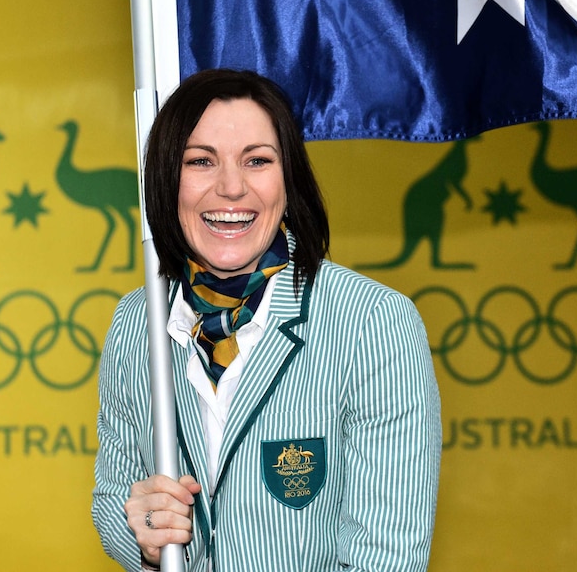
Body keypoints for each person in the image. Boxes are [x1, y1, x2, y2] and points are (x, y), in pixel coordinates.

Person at [92, 68, 441, 572]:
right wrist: (144, 540)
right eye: (200, 161)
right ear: (167, 178)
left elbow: (385, 556)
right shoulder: (136, 321)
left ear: (288, 177)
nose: (231, 188)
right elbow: (113, 501)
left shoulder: (372, 322)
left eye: (257, 160)